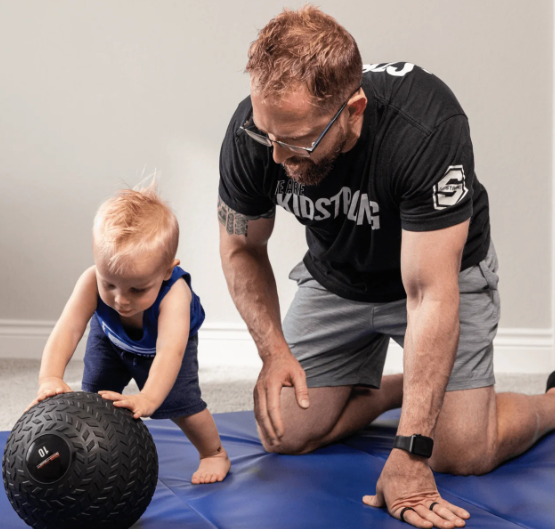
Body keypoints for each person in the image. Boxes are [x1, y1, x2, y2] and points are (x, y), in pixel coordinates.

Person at [217, 5, 555, 528]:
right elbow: (241, 247)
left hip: (435, 276)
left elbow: (429, 296)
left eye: (300, 142)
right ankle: (395, 388)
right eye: (270, 138)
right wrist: (273, 350)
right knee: (283, 431)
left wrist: (414, 450)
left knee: (461, 451)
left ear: (353, 109)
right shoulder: (254, 133)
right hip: (339, 278)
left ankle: (553, 402)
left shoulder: (425, 126)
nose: (280, 157)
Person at [29, 181, 231, 484]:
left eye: (137, 289)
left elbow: (169, 352)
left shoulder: (175, 294)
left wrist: (148, 398)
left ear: (166, 271)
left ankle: (213, 453)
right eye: (109, 284)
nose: (121, 299)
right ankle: (90, 451)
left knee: (181, 405)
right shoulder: (90, 280)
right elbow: (68, 329)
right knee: (93, 396)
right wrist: (50, 377)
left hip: (164, 349)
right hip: (110, 339)